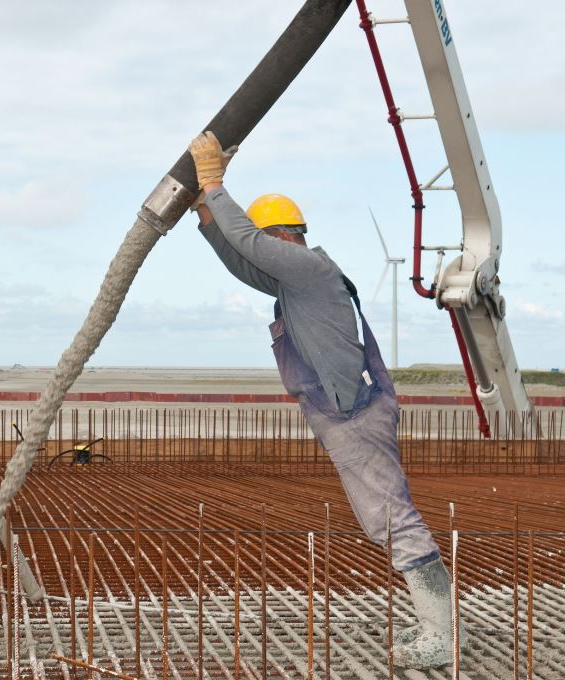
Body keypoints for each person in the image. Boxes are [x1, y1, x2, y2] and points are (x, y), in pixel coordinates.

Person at [188, 131, 462, 669]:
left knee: (391, 518)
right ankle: (436, 623)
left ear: (284, 238)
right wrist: (205, 211)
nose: (263, 253)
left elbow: (249, 245)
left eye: (267, 243)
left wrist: (216, 185)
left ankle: (442, 635)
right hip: (350, 412)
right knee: (382, 516)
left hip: (354, 415)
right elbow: (240, 258)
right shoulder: (295, 284)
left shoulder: (309, 268)